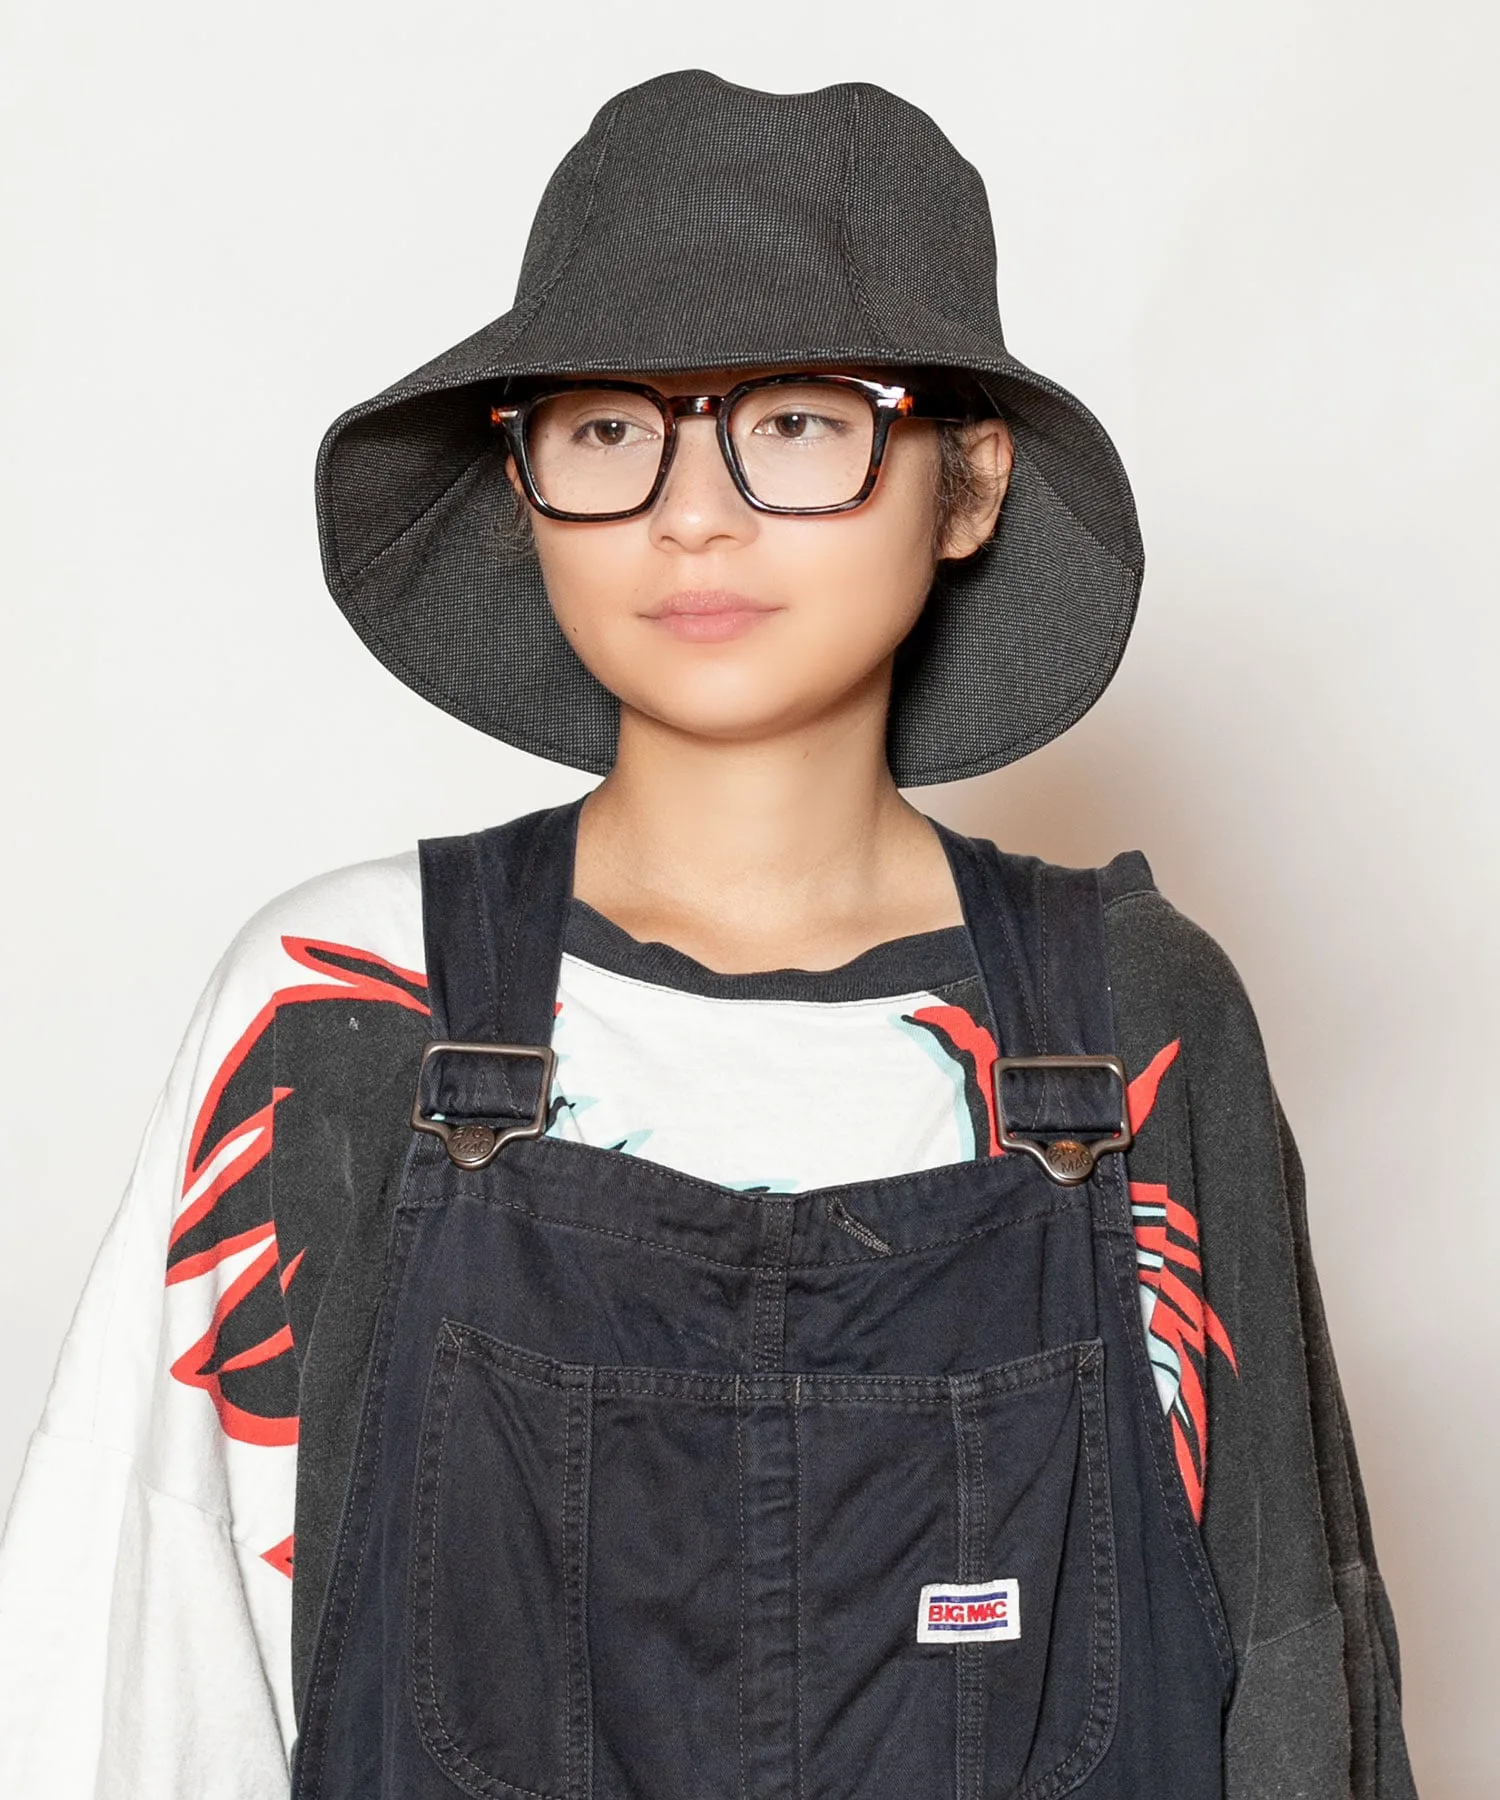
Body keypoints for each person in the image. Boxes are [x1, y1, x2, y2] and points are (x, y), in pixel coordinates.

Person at [0, 68, 1417, 1799]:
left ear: (967, 485)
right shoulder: (342, 1014)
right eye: (610, 429)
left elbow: (1298, 1682)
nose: (693, 509)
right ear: (522, 483)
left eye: (799, 422)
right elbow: (135, 1697)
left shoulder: (1138, 1025)